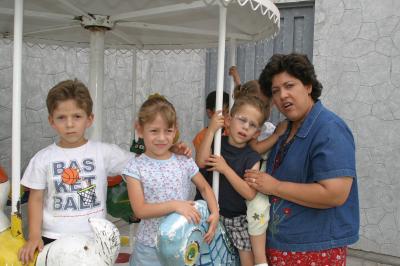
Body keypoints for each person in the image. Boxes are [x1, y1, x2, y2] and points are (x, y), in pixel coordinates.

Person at [244, 53, 359, 265]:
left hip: (313, 250)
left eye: (289, 86)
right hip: (282, 246)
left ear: (308, 86)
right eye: (275, 91)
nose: (282, 96)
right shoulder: (285, 129)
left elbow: (335, 194)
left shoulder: (329, 128)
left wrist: (275, 186)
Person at [17, 79, 134, 264]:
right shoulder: (43, 158)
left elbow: (142, 163)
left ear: (89, 119)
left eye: (77, 116)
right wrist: (34, 235)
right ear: (51, 121)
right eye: (61, 117)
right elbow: (36, 198)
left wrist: (170, 150)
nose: (69, 124)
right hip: (53, 238)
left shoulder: (103, 152)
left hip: (93, 239)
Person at [123, 96, 219, 266]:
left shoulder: (183, 160)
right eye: (154, 131)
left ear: (175, 131)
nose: (161, 138)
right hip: (149, 248)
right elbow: (140, 210)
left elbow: (204, 187)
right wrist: (176, 205)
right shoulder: (135, 167)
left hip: (182, 244)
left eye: (168, 131)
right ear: (140, 129)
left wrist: (215, 213)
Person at [196, 95, 270, 266]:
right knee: (201, 251)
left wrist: (225, 169)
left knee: (246, 253)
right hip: (210, 211)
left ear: (256, 133)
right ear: (228, 120)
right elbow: (200, 162)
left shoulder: (252, 157)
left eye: (252, 125)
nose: (245, 126)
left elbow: (250, 193)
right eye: (242, 120)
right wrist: (212, 130)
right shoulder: (216, 143)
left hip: (235, 217)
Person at [229, 66, 287, 162]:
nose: (261, 111)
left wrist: (238, 81)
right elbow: (255, 149)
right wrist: (276, 135)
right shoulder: (248, 128)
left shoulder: (262, 126)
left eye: (266, 106)